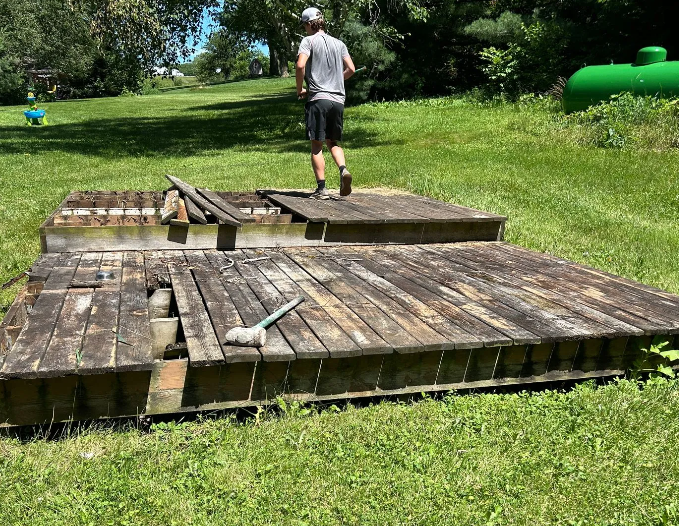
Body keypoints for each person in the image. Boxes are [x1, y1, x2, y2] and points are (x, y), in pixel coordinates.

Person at [296, 7, 356, 199]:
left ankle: (322, 189)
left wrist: (300, 89)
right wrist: (336, 80)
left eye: (304, 25)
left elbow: (300, 65)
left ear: (308, 24)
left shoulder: (308, 41)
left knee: (317, 145)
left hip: (318, 99)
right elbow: (351, 69)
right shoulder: (339, 43)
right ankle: (343, 170)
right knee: (333, 141)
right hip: (338, 100)